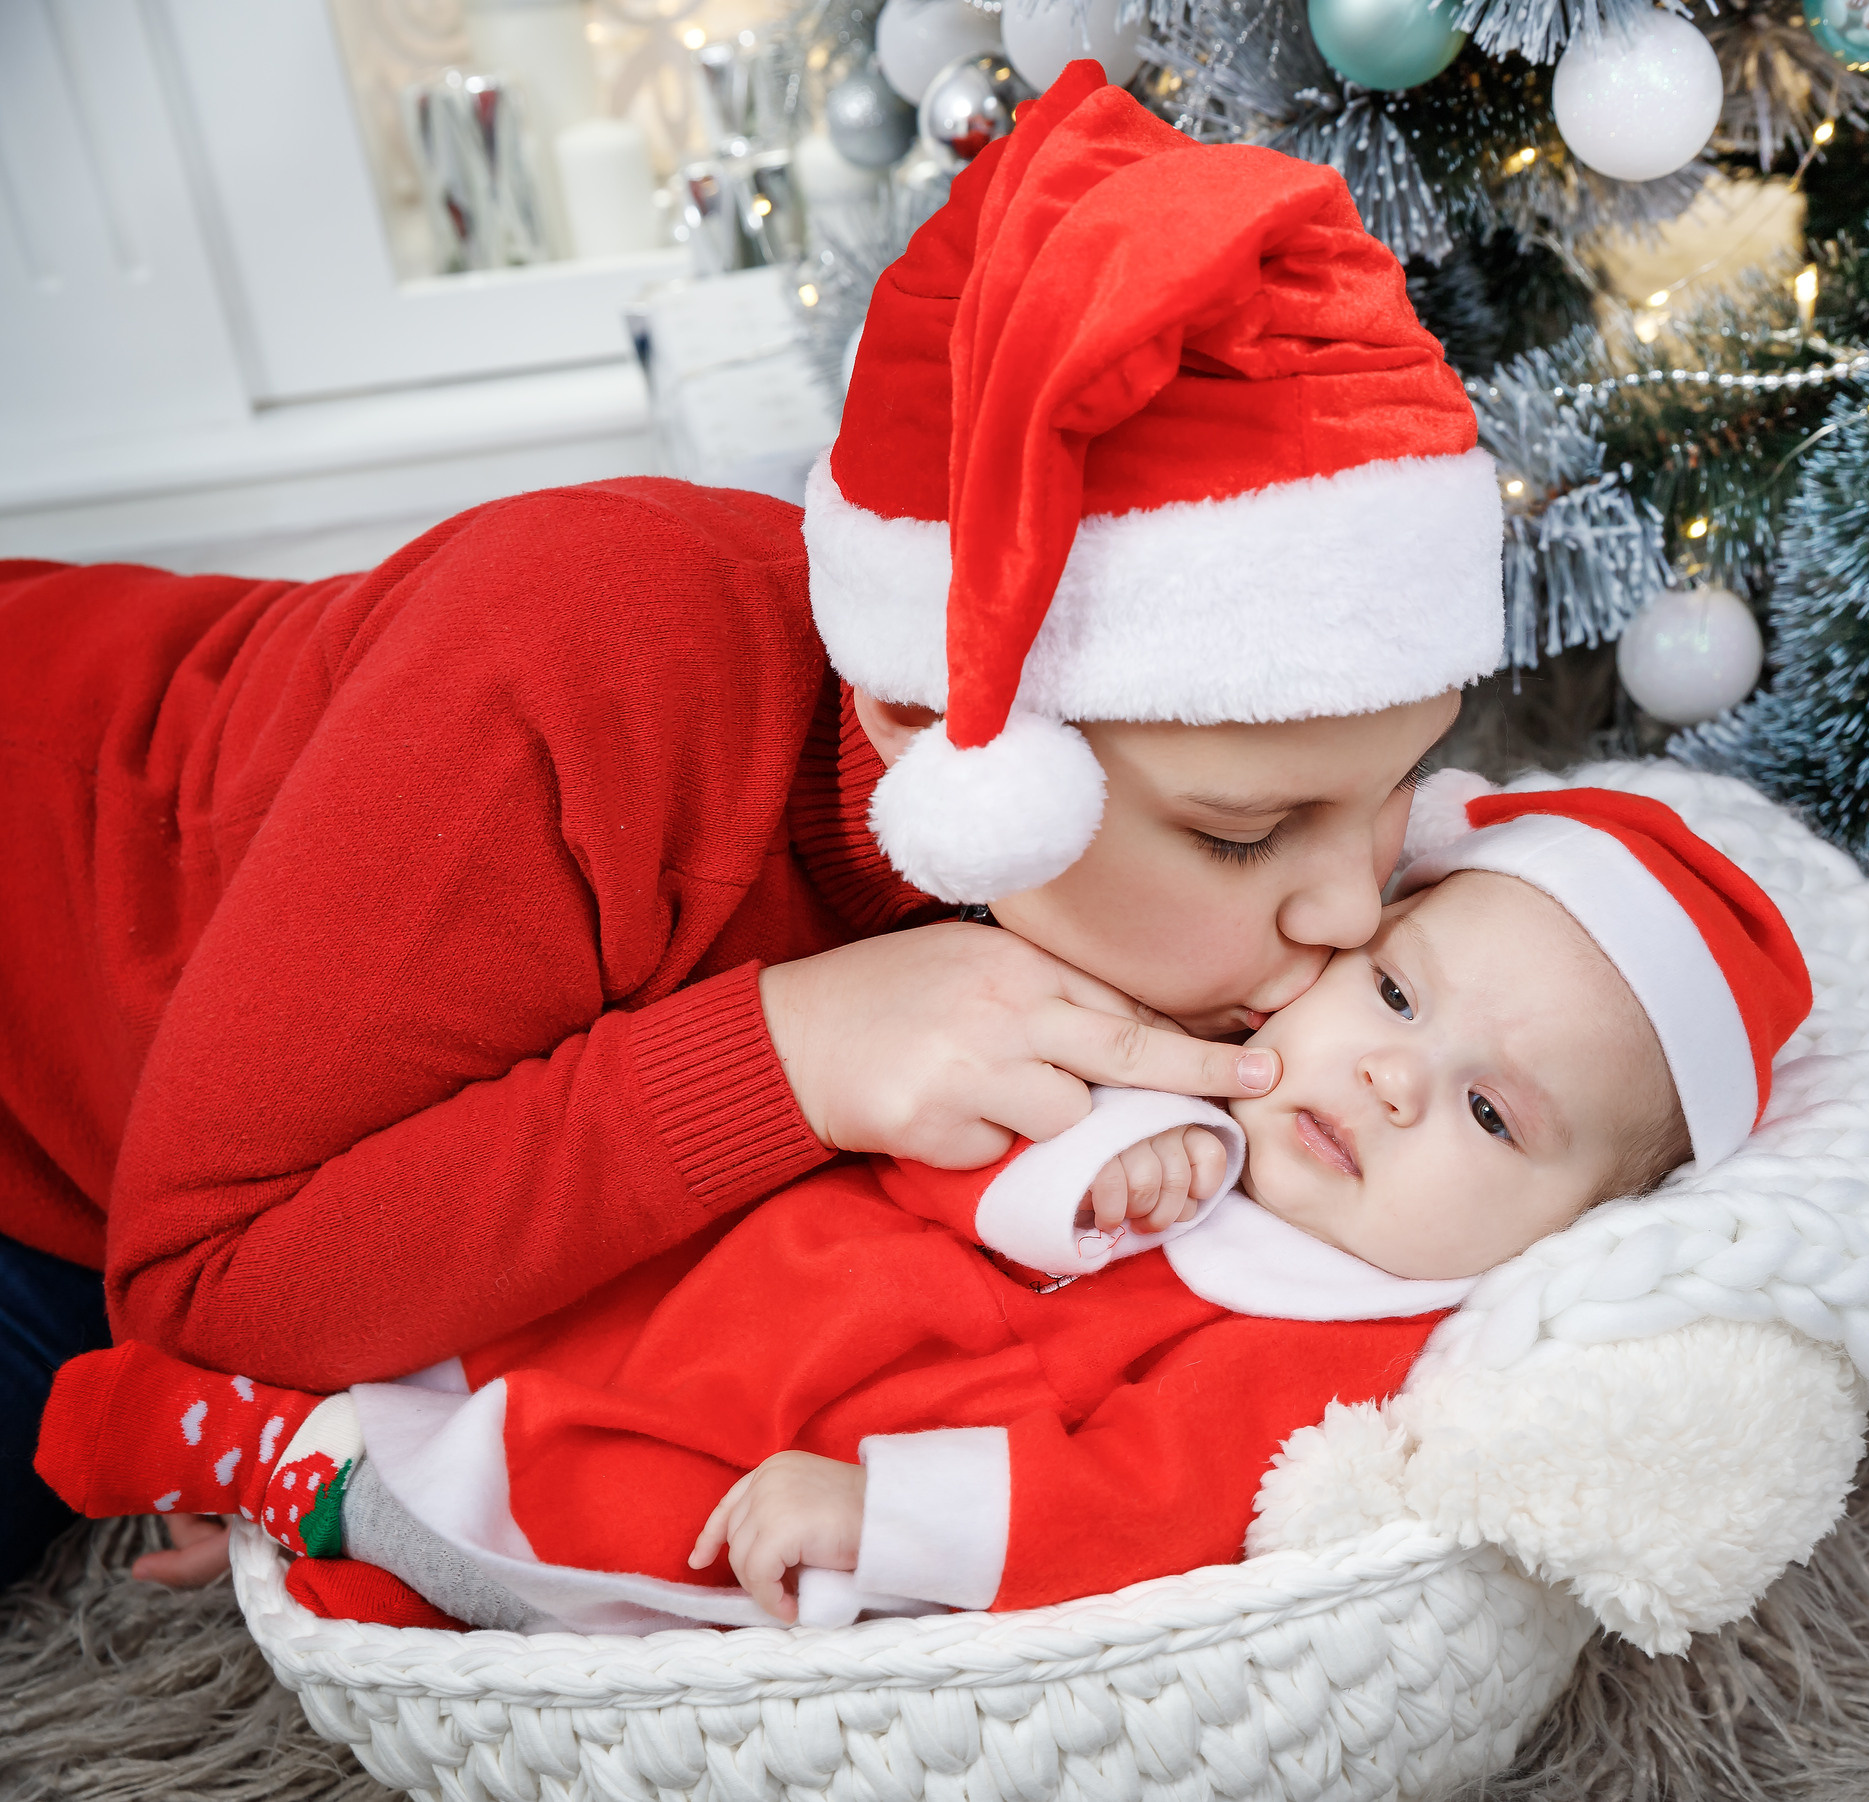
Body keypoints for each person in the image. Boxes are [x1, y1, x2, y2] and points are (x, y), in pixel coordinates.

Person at [0, 62, 1504, 1589]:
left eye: (1392, 797)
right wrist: (786, 1053)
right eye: (1247, 839)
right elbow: (196, 1290)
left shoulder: (1144, 819)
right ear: (932, 727)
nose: (1352, 915)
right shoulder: (580, 669)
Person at [40, 788, 1813, 1630]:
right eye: (1402, 1002)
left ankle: (296, 1472)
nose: (1393, 1085)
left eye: (1494, 1115)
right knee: (506, 1326)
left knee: (590, 1517)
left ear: (1571, 1223)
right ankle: (278, 1411)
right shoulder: (1192, 1035)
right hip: (748, 1273)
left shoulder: (1360, 1335)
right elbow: (912, 1114)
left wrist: (895, 1519)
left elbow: (1154, 1502)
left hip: (808, 1447)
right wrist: (1069, 1176)